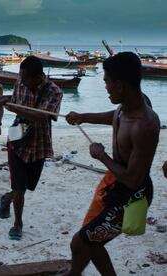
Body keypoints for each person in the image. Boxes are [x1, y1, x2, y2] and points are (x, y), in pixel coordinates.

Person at [65, 52, 160, 276]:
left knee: (80, 243)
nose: (105, 86)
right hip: (115, 184)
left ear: (119, 85)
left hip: (132, 195)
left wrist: (101, 156)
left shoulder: (145, 125)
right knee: (90, 241)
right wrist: (83, 116)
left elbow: (133, 179)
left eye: (106, 81)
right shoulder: (128, 104)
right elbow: (115, 116)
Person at [0, 56, 63, 240]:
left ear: (38, 77)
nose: (22, 81)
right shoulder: (20, 82)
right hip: (17, 140)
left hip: (39, 144)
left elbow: (41, 117)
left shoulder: (54, 92)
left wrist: (12, 108)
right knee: (19, 186)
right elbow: (14, 99)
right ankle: (18, 224)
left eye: (26, 78)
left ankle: (7, 198)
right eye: (21, 77)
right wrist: (1, 99)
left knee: (26, 186)